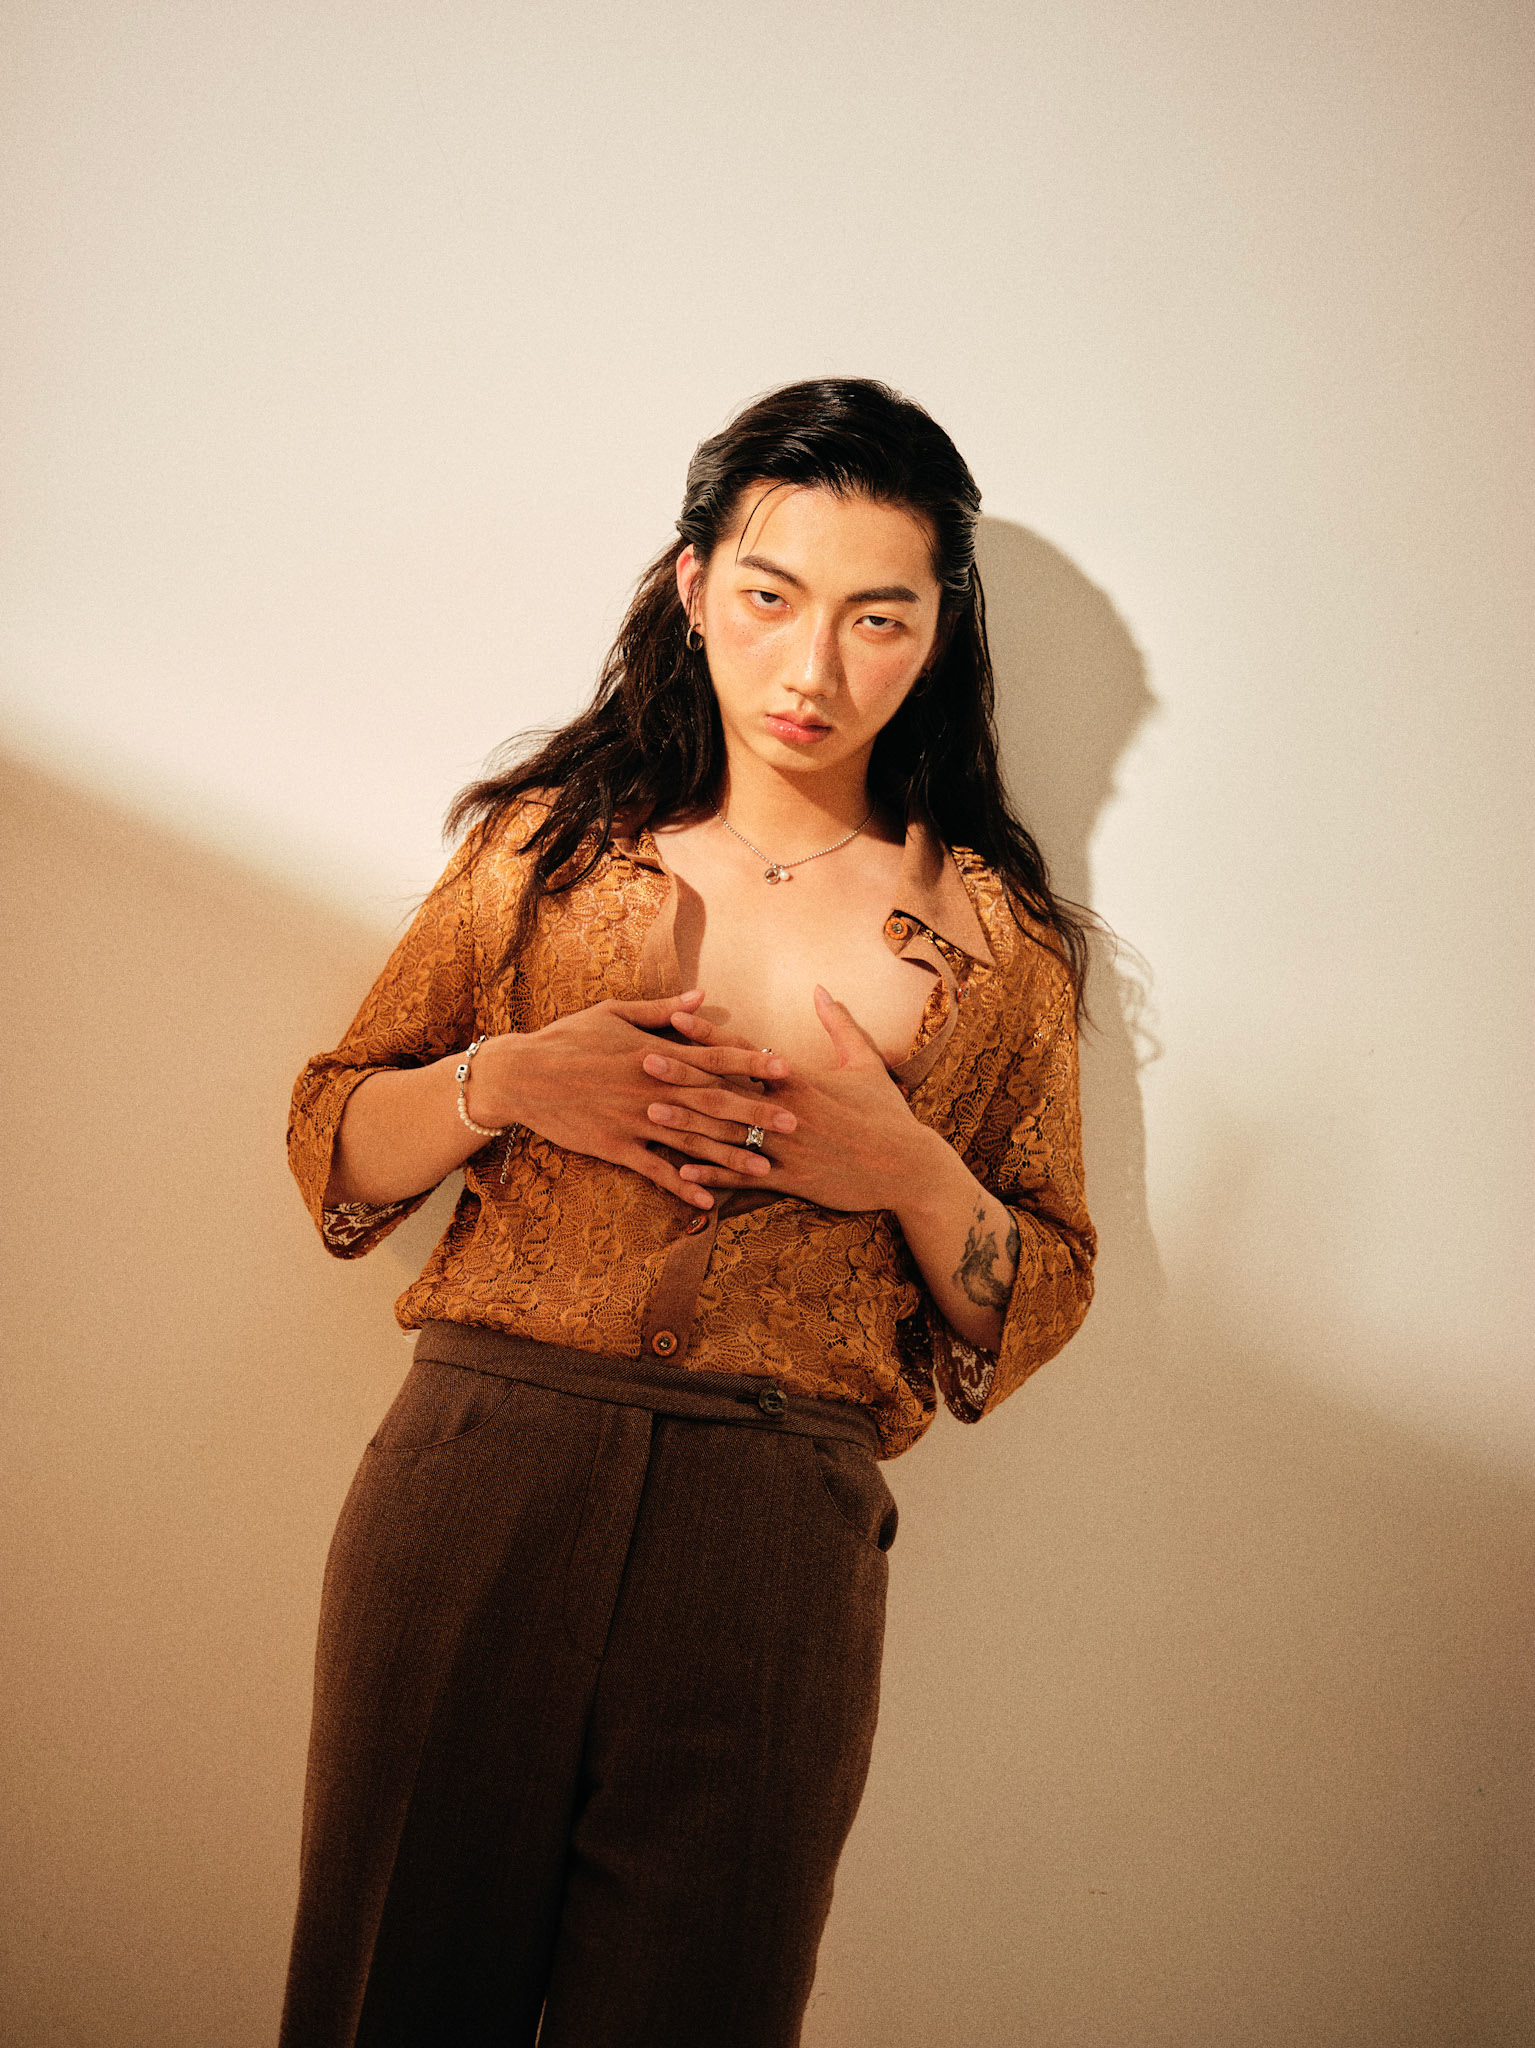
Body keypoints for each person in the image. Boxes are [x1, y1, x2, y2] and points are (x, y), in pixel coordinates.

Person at [278, 376, 1097, 2048]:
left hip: (775, 1535)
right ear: (694, 586)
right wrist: (509, 1081)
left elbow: (1039, 1287)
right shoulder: (546, 853)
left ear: (940, 632)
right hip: (481, 1477)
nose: (813, 671)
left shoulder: (994, 944)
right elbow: (332, 1139)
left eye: (878, 617)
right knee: (386, 1995)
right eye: (772, 597)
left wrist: (908, 1170)